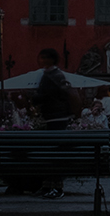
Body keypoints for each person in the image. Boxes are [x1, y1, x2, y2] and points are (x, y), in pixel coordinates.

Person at [31, 48, 79, 199]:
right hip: (56, 117)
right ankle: (48, 185)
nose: (42, 60)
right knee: (52, 151)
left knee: (54, 152)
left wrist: (31, 96)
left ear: (52, 59)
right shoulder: (53, 75)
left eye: (45, 58)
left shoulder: (53, 76)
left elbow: (44, 96)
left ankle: (55, 187)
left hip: (56, 118)